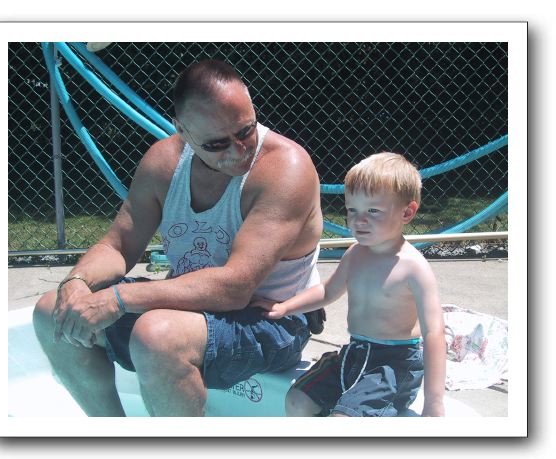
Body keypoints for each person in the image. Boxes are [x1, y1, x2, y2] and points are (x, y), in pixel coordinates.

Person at [32, 59, 324, 416]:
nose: (238, 150)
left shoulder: (286, 168)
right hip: (190, 313)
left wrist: (118, 299)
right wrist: (77, 283)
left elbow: (236, 287)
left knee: (157, 335)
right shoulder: (164, 162)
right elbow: (118, 244)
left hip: (274, 321)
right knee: (53, 311)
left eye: (246, 130)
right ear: (182, 131)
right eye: (217, 144)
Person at [253, 152, 446, 417]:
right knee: (296, 400)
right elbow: (328, 290)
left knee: (344, 419)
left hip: (392, 365)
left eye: (373, 211)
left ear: (407, 212)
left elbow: (434, 333)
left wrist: (434, 402)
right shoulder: (355, 254)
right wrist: (285, 306)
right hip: (353, 354)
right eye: (352, 210)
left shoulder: (413, 267)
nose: (359, 220)